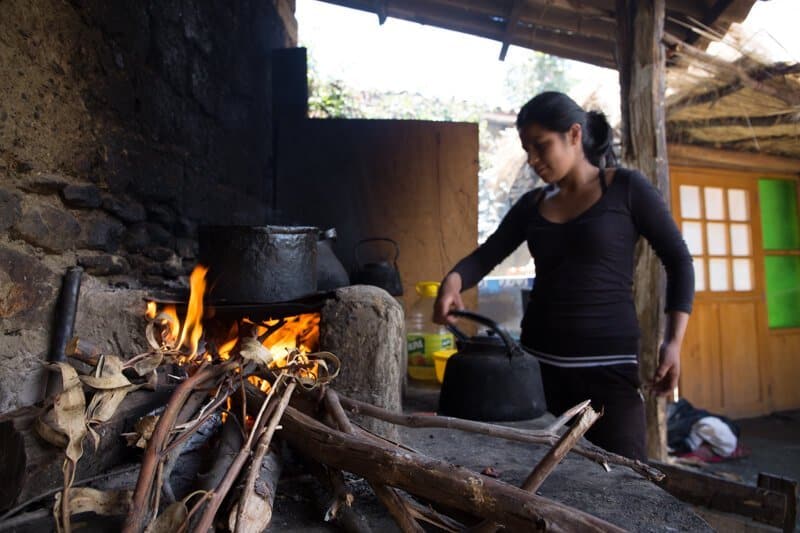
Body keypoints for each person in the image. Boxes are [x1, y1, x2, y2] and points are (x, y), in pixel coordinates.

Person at [433, 91, 694, 461]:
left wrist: (673, 342)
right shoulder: (533, 205)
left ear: (574, 134)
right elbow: (484, 257)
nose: (532, 159)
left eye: (541, 146)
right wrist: (453, 281)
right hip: (537, 375)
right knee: (539, 480)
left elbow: (679, 261)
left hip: (609, 376)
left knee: (624, 477)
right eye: (527, 150)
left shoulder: (626, 189)